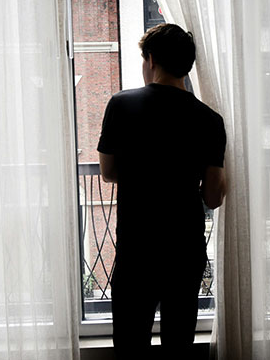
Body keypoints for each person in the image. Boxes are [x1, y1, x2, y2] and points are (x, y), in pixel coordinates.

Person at [97, 23, 227, 359]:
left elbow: (107, 173)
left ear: (151, 59)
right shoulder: (210, 120)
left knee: (130, 345)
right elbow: (213, 197)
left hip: (137, 248)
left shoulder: (121, 105)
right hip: (184, 249)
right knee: (179, 345)